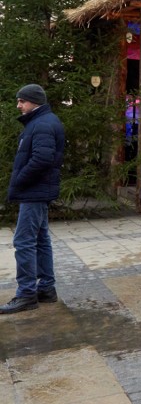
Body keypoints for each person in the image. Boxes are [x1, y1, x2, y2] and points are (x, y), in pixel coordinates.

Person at [0, 85, 65, 314]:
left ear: (34, 102)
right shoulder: (41, 122)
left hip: (34, 191)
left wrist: (19, 180)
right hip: (37, 190)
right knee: (40, 238)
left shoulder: (42, 124)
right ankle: (46, 288)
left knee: (24, 241)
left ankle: (26, 294)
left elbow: (42, 159)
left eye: (22, 101)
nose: (18, 105)